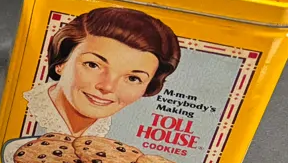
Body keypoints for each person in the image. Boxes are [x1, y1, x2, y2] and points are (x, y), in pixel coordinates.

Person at [23, 7, 180, 136]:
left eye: (133, 78)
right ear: (62, 62)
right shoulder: (24, 113)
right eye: (92, 65)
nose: (107, 87)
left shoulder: (114, 136)